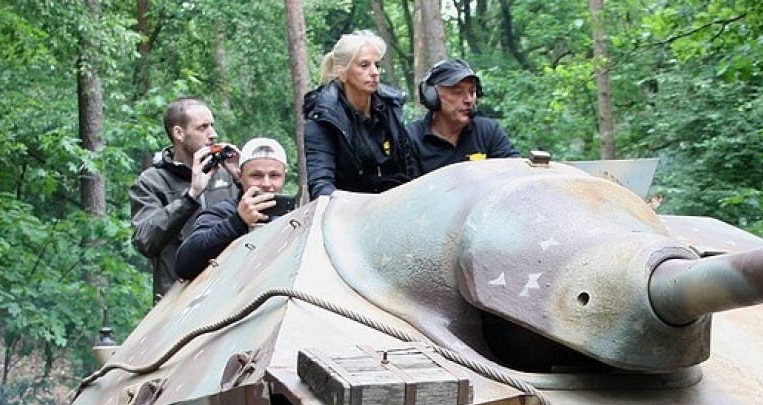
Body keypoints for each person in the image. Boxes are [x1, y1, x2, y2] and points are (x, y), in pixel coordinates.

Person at [129, 97, 241, 298]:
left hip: (228, 292)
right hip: (177, 298)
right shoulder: (152, 182)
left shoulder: (224, 174)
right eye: (203, 128)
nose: (213, 134)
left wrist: (242, 180)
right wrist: (190, 197)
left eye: (212, 126)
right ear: (179, 133)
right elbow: (145, 241)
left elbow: (258, 223)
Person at [303, 31, 418, 198]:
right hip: (347, 211)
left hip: (395, 206)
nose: (374, 72)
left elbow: (408, 169)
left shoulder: (391, 107)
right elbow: (321, 186)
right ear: (342, 73)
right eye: (364, 65)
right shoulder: (323, 118)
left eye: (377, 65)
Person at [174, 138, 290, 282]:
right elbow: (184, 264)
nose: (266, 184)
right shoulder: (222, 213)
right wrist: (238, 221)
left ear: (285, 175)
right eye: (256, 176)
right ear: (240, 176)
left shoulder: (297, 214)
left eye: (274, 176)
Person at [408, 58, 520, 174]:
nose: (469, 100)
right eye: (457, 92)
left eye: (472, 92)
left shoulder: (488, 131)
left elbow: (515, 176)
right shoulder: (410, 139)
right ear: (431, 96)